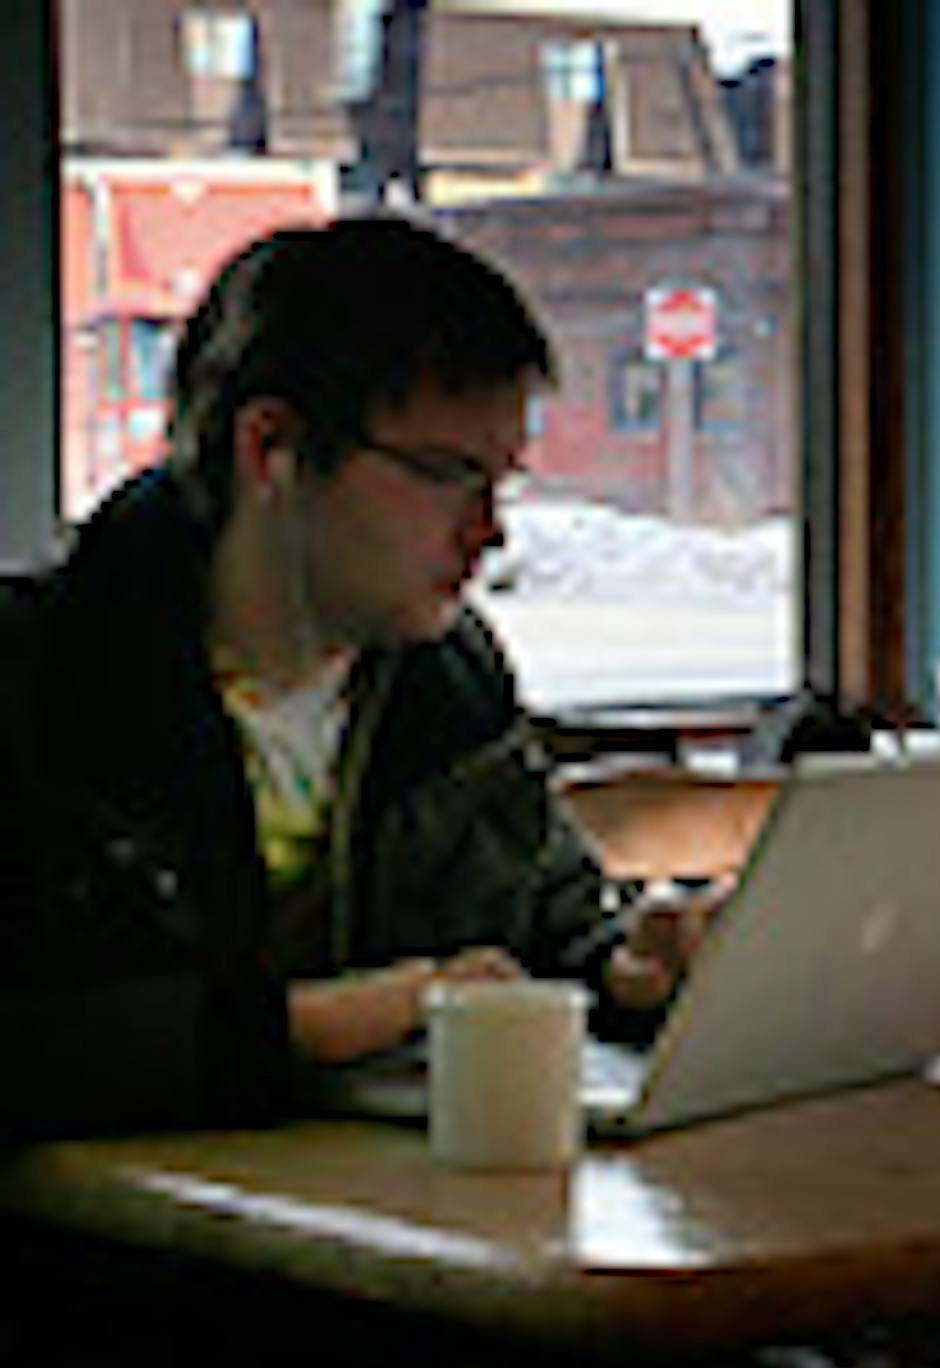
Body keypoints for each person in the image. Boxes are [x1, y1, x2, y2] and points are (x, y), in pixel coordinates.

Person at [0, 217, 702, 1135]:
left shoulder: (450, 676)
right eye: (447, 473)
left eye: (503, 481)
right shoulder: (37, 679)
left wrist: (625, 969)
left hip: (392, 1246)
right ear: (272, 448)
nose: (490, 532)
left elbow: (544, 927)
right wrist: (302, 1031)